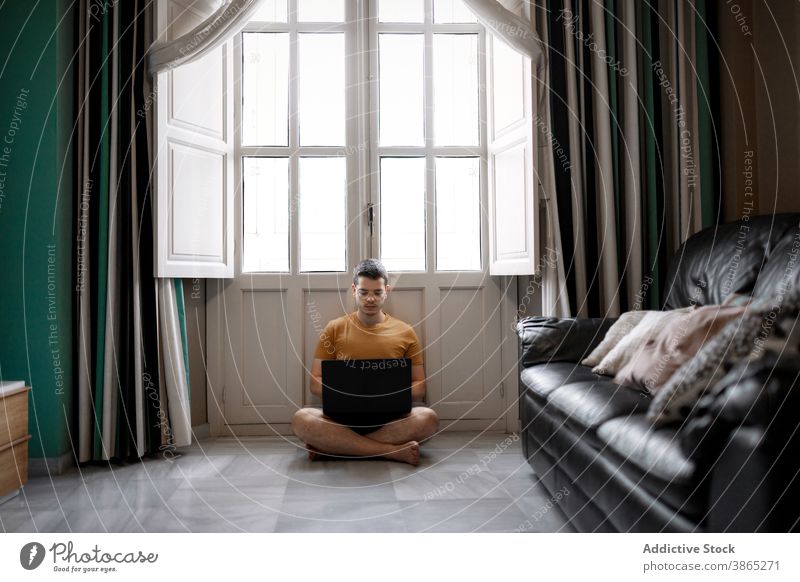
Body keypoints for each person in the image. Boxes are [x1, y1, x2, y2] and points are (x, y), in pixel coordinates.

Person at [291, 259, 439, 466]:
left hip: (391, 420)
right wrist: (350, 393)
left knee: (428, 418)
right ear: (354, 290)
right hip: (341, 421)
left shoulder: (405, 331)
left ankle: (336, 449)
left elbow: (420, 386)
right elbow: (315, 382)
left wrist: (386, 394)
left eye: (377, 293)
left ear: (386, 291)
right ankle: (389, 451)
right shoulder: (334, 328)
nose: (370, 299)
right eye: (364, 292)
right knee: (302, 419)